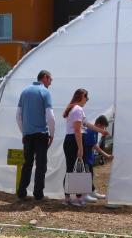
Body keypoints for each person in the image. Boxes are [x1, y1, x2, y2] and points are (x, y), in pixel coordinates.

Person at [62, 89, 109, 206]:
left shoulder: (74, 109)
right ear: (81, 97)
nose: (87, 100)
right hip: (74, 141)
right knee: (77, 170)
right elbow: (77, 130)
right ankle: (78, 199)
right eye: (86, 97)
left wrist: (100, 131)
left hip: (70, 140)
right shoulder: (78, 109)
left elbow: (86, 124)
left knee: (70, 169)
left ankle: (68, 198)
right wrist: (80, 147)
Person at [15, 70, 56, 200]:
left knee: (27, 164)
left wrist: (24, 132)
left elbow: (18, 116)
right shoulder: (44, 92)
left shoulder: (24, 91)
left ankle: (21, 191)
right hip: (41, 134)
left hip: (28, 135)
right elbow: (50, 116)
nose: (51, 82)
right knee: (41, 164)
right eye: (50, 80)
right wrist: (52, 133)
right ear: (45, 77)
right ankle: (38, 194)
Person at [83, 115, 114, 202]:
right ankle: (85, 194)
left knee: (90, 174)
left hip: (90, 157)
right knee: (87, 175)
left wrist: (106, 155)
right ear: (99, 125)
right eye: (103, 127)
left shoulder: (95, 131)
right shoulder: (90, 131)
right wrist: (106, 155)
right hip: (86, 157)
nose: (103, 129)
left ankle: (92, 191)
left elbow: (95, 146)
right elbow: (95, 146)